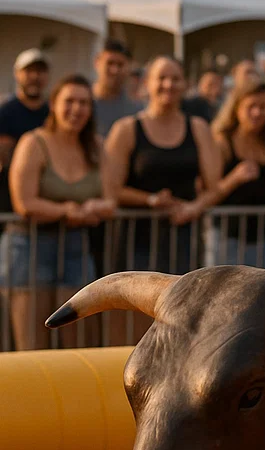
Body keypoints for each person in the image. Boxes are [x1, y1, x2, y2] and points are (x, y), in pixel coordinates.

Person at [1, 75, 115, 349]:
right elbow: (24, 203)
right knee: (32, 346)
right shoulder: (33, 142)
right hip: (29, 247)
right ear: (53, 105)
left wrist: (92, 207)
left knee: (77, 345)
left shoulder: (96, 146)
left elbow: (110, 200)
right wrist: (67, 211)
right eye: (69, 101)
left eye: (84, 103)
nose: (76, 109)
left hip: (76, 247)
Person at [105, 56, 222, 276]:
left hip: (184, 237)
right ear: (146, 83)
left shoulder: (198, 128)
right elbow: (111, 189)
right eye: (161, 78)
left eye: (175, 79)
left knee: (180, 306)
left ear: (185, 85)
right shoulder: (126, 129)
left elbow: (214, 187)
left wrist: (194, 207)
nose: (168, 84)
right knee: (136, 307)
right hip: (135, 238)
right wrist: (151, 200)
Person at [207, 78, 265, 267]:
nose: (257, 113)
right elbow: (208, 191)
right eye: (251, 106)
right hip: (228, 237)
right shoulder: (223, 142)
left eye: (263, 107)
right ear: (237, 107)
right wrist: (235, 178)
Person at [0, 49, 50, 213]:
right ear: (17, 74)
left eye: (40, 71)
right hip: (9, 196)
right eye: (29, 71)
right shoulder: (5, 111)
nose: (35, 76)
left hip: (46, 196)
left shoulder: (53, 114)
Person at [91, 39, 142, 136]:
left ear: (129, 67)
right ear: (97, 63)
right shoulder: (80, 103)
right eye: (109, 63)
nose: (115, 70)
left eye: (120, 65)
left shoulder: (136, 111)